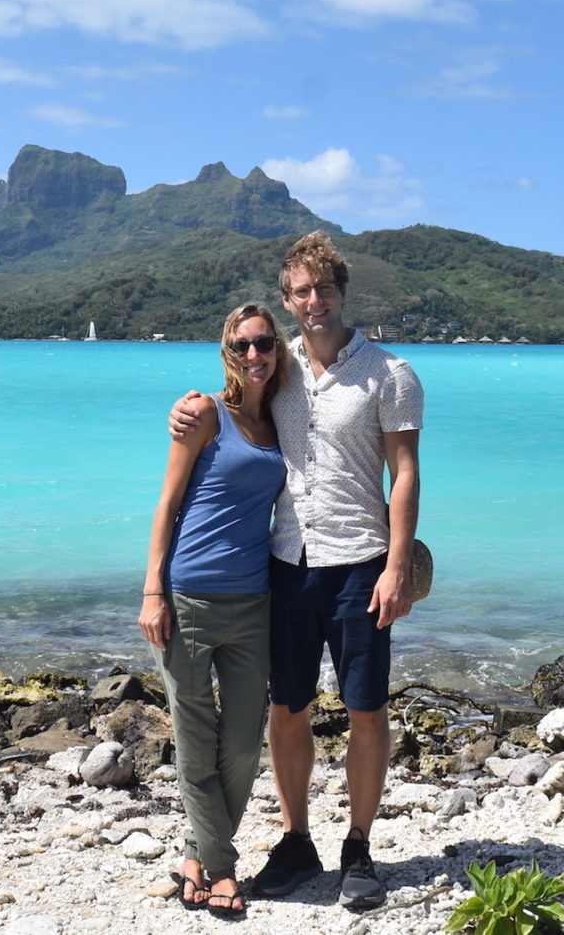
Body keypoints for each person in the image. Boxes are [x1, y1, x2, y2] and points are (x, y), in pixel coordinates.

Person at [170, 232, 423, 910]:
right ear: (288, 300)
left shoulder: (389, 374)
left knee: (366, 709)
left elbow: (404, 474)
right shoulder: (279, 373)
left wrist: (398, 565)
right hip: (286, 563)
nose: (315, 301)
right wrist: (189, 408)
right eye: (302, 291)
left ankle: (360, 845)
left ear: (342, 292)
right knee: (288, 707)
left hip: (360, 562)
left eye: (325, 289)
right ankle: (295, 838)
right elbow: (235, 404)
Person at [140, 303, 289, 920]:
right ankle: (222, 869)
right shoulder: (203, 413)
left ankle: (195, 855)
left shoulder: (283, 421)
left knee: (245, 742)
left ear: (278, 350)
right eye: (241, 346)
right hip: (189, 599)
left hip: (255, 601)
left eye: (263, 344)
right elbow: (167, 505)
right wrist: (153, 592)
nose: (253, 355)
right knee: (196, 739)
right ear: (227, 354)